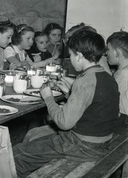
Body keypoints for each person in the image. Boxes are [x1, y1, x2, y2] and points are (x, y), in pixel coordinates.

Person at [13, 30, 120, 177]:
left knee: (16, 155)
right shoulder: (107, 77)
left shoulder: (84, 81)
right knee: (33, 141)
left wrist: (48, 98)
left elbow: (64, 123)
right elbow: (94, 106)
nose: (70, 58)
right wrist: (69, 93)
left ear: (79, 56)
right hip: (102, 141)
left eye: (71, 55)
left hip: (82, 145)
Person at [106, 31, 128, 127]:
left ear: (116, 52)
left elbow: (109, 101)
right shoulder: (122, 71)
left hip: (123, 123)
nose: (106, 53)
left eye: (108, 49)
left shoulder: (123, 75)